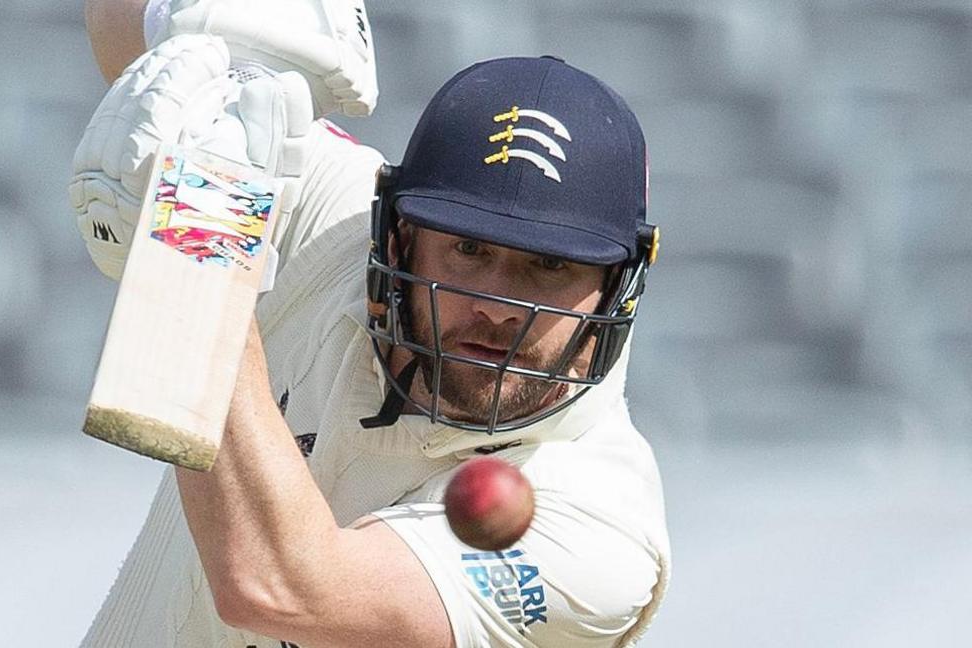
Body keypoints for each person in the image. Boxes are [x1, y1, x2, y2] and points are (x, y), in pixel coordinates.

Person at [70, 2, 669, 646]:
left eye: (547, 265)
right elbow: (120, 29)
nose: (496, 305)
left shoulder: (596, 529)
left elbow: (277, 589)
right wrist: (210, 38)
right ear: (400, 238)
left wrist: (201, 252)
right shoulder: (337, 226)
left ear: (614, 285)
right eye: (469, 251)